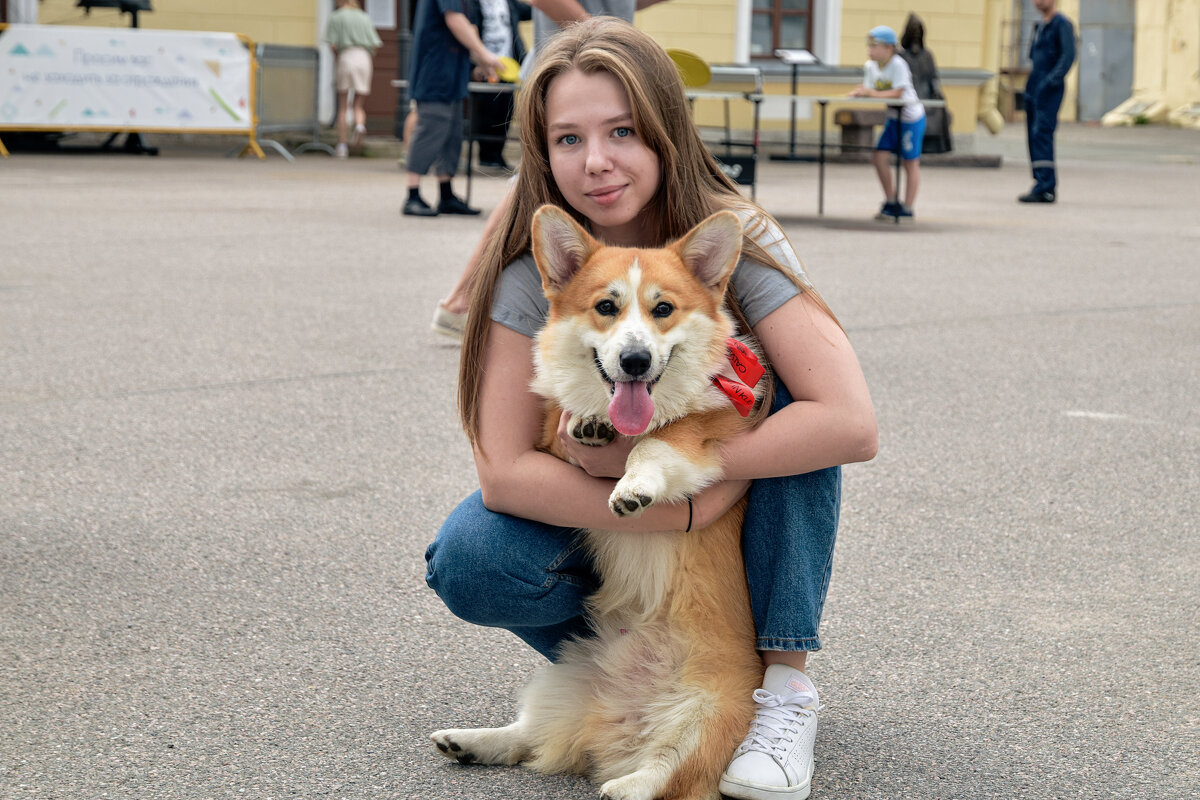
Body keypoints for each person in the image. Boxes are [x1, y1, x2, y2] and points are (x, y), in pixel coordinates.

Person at [423, 18, 878, 800]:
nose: (595, 161)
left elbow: (852, 423)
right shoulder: (538, 273)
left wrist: (700, 489)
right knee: (468, 554)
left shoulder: (735, 239)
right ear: (543, 153)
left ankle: (780, 690)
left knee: (799, 409)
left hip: (723, 522)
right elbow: (504, 473)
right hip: (623, 551)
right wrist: (635, 488)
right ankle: (630, 681)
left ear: (663, 131)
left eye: (621, 131)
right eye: (568, 139)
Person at [429, 0, 671, 338]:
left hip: (609, 67)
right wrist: (606, 41)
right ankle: (463, 300)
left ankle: (464, 300)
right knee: (528, 190)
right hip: (568, 72)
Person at [403, 0, 503, 217]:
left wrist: (481, 62)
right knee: (429, 131)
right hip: (434, 72)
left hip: (454, 74)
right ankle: (412, 195)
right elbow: (455, 20)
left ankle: (446, 195)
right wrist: (485, 54)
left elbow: (470, 29)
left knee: (452, 136)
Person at [849, 24, 925, 222]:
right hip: (893, 118)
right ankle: (891, 201)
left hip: (910, 118)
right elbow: (870, 88)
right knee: (879, 156)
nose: (870, 50)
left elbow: (897, 92)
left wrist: (870, 93)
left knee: (910, 162)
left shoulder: (898, 64)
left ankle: (908, 207)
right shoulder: (870, 66)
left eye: (875, 46)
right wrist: (861, 92)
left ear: (889, 48)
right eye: (869, 45)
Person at [1020, 0, 1076, 203]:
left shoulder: (1061, 24)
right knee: (1032, 136)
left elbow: (1068, 56)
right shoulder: (1040, 26)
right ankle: (1039, 182)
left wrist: (1051, 81)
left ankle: (1046, 187)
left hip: (1049, 88)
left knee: (1042, 133)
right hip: (1033, 84)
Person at [470, 0, 532, 171]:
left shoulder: (509, 2)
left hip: (507, 65)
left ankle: (497, 154)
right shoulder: (473, 3)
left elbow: (531, 11)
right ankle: (486, 156)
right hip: (485, 66)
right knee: (487, 111)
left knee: (505, 111)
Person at [323, 0, 383, 159]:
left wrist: (339, 58)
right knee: (358, 104)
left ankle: (342, 146)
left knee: (343, 105)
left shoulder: (336, 16)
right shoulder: (364, 17)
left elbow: (333, 45)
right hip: (364, 58)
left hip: (346, 56)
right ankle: (360, 125)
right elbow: (375, 44)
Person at [900, 13, 952, 155]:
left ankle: (935, 146)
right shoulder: (902, 56)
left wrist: (936, 89)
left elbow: (933, 76)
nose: (916, 36)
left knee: (939, 104)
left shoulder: (927, 55)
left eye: (919, 33)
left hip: (926, 91)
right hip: (911, 92)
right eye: (914, 33)